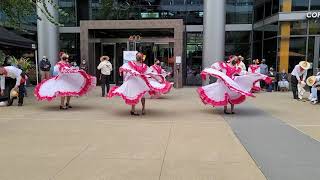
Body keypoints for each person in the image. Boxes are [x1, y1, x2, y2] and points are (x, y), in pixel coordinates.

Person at [197, 56, 271, 114]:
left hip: (232, 82)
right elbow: (215, 67)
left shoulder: (236, 68)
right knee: (224, 95)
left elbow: (243, 72)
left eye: (236, 59)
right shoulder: (223, 65)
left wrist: (254, 74)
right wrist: (210, 71)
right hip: (223, 82)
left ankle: (232, 110)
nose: (235, 60)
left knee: (233, 95)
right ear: (231, 58)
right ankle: (225, 109)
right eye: (234, 58)